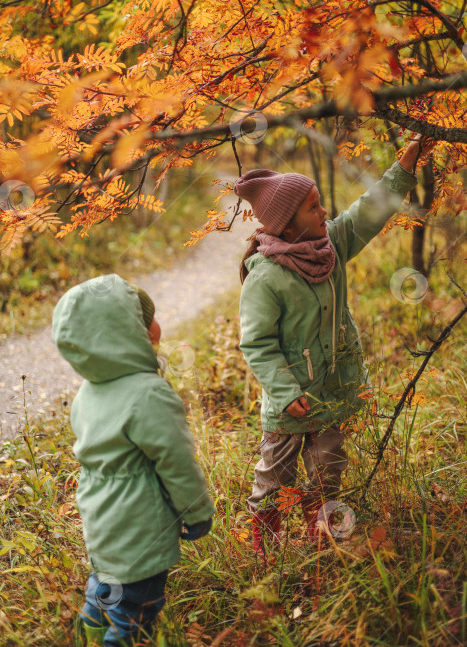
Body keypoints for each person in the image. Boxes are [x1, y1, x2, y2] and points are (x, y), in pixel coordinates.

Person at [234, 134, 435, 555]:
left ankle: (321, 544)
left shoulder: (331, 245)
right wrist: (286, 393)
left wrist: (405, 165)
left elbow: (368, 212)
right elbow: (257, 344)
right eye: (314, 207)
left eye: (321, 202)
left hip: (332, 392)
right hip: (291, 403)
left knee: (327, 473)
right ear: (287, 224)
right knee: (274, 478)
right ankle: (264, 553)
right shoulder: (266, 277)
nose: (325, 211)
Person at [52, 274, 215, 646]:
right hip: (140, 523)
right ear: (131, 335)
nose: (157, 324)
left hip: (99, 517)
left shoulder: (88, 393)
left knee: (107, 582)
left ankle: (88, 632)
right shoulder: (149, 395)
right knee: (137, 609)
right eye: (147, 319)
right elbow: (176, 461)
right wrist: (197, 511)